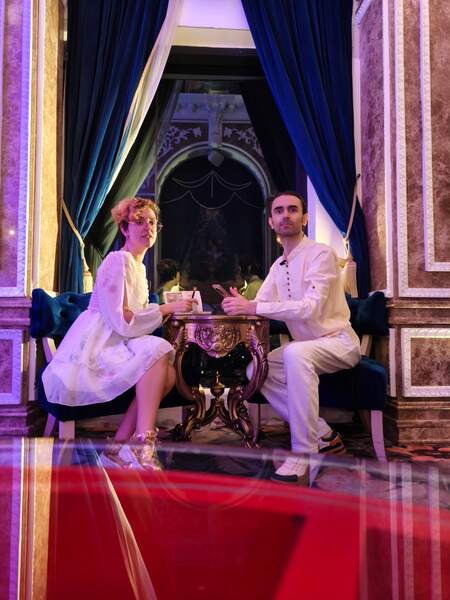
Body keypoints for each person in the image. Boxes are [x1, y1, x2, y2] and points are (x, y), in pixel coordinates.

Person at [42, 197, 196, 470]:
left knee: (169, 374)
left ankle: (117, 448)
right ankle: (143, 446)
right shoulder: (117, 261)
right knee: (158, 351)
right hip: (99, 344)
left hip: (121, 341)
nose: (147, 227)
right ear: (124, 228)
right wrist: (164, 308)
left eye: (152, 222)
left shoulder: (138, 265)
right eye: (139, 222)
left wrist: (167, 309)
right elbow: (121, 320)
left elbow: (135, 317)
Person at [222, 191, 361, 485]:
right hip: (306, 346)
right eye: (279, 211)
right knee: (256, 369)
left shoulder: (321, 254)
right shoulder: (278, 266)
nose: (286, 215)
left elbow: (310, 308)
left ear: (304, 218)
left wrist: (253, 307)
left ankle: (303, 453)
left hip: (338, 342)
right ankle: (323, 434)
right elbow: (259, 304)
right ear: (271, 221)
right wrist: (238, 303)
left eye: (293, 209)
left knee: (296, 353)